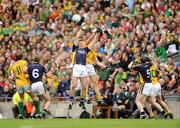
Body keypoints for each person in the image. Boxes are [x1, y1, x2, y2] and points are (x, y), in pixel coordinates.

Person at [68, 27, 95, 111]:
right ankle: (71, 101)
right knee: (73, 85)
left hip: (83, 67)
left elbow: (92, 42)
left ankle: (82, 102)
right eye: (80, 42)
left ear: (84, 43)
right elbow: (76, 37)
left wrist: (95, 34)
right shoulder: (75, 48)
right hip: (76, 66)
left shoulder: (86, 50)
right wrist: (81, 30)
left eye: (82, 42)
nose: (81, 43)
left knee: (84, 87)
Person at [11, 51, 37, 119]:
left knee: (21, 98)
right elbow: (25, 71)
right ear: (22, 57)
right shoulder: (24, 62)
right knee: (34, 97)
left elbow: (14, 77)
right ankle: (38, 113)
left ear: (16, 58)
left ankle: (21, 115)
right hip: (25, 82)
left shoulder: (13, 66)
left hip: (18, 83)